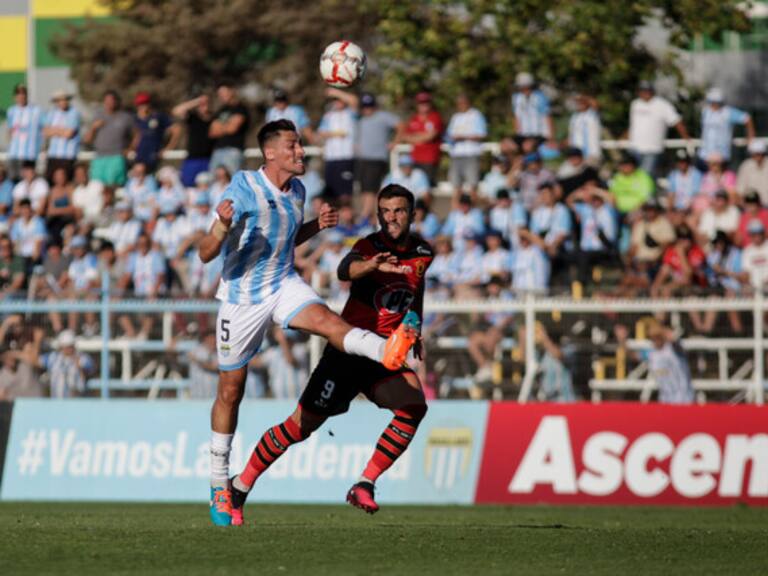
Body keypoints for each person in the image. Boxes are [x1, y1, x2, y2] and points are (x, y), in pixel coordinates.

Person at [197, 120, 421, 525]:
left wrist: (316, 227)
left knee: (328, 322)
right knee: (231, 391)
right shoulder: (244, 186)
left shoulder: (298, 191)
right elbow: (205, 251)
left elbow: (285, 239)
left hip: (283, 283)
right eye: (293, 145)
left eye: (300, 144)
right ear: (270, 153)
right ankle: (218, 483)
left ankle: (386, 349)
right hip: (242, 298)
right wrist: (222, 225)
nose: (301, 151)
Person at [229, 184, 433, 522]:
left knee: (413, 407)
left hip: (384, 357)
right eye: (385, 211)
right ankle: (240, 485)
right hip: (349, 353)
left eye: (398, 211)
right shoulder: (370, 246)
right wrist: (370, 266)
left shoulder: (424, 252)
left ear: (412, 214)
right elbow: (345, 270)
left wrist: (417, 327)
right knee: (299, 427)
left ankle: (365, 483)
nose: (391, 217)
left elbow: (416, 290)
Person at [628, 81, 689, 177]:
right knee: (632, 176)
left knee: (646, 176)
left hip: (652, 148)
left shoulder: (662, 105)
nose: (645, 93)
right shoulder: (635, 104)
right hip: (635, 148)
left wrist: (686, 138)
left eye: (647, 90)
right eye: (642, 90)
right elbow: (632, 125)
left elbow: (676, 121)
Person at [354, 92, 400, 218]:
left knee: (371, 190)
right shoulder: (360, 118)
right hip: (363, 159)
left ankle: (365, 217)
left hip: (376, 159)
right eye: (364, 106)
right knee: (364, 190)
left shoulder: (383, 117)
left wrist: (395, 141)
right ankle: (368, 217)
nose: (367, 109)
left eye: (369, 106)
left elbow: (400, 125)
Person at [84, 90, 135, 187]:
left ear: (116, 102)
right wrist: (93, 128)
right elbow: (87, 140)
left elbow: (137, 135)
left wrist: (131, 148)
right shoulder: (97, 116)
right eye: (106, 101)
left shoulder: (125, 117)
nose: (109, 103)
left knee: (113, 186)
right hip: (99, 157)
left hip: (116, 157)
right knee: (96, 187)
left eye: (111, 100)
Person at [445, 94, 487, 201]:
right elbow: (449, 135)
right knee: (456, 187)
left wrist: (463, 137)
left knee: (472, 186)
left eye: (463, 103)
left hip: (471, 154)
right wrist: (451, 138)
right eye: (459, 103)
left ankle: (474, 213)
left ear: (468, 103)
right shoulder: (455, 117)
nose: (461, 105)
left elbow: (482, 134)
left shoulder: (476, 115)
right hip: (456, 155)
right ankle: (455, 214)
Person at [316, 88, 357, 197]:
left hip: (346, 156)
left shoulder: (350, 113)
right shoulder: (328, 115)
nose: (337, 102)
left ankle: (346, 213)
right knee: (331, 191)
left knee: (345, 192)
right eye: (335, 100)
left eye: (339, 100)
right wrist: (335, 134)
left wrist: (336, 92)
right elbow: (321, 132)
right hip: (331, 157)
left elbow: (354, 101)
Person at [396, 92, 443, 184]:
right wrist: (422, 137)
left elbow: (431, 136)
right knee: (413, 186)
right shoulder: (413, 119)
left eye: (426, 102)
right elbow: (404, 136)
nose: (424, 105)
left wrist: (416, 137)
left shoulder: (435, 117)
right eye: (421, 103)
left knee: (427, 189)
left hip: (430, 160)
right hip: (414, 159)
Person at [698, 88, 754, 164]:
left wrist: (750, 139)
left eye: (716, 102)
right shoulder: (705, 112)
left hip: (722, 155)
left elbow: (747, 119)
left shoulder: (728, 112)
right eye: (712, 102)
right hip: (705, 154)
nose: (714, 104)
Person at [36, 329, 95, 398]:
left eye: (70, 346)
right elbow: (36, 361)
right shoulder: (54, 357)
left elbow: (91, 368)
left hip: (75, 400)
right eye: (65, 347)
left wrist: (79, 365)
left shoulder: (82, 357)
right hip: (57, 401)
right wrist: (37, 342)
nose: (68, 349)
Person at [172, 94, 215, 187]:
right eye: (201, 104)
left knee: (208, 187)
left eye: (206, 103)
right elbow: (176, 111)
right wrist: (197, 101)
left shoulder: (215, 119)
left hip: (209, 159)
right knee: (188, 186)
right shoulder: (193, 118)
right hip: (192, 159)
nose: (204, 106)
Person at [647, 322, 694, 404]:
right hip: (665, 400)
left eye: (658, 337)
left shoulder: (673, 349)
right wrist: (622, 341)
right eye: (653, 338)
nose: (655, 340)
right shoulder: (651, 353)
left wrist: (672, 339)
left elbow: (678, 347)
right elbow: (634, 355)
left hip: (684, 399)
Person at [132, 92, 180, 173]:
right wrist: (131, 148)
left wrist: (168, 148)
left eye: (145, 103)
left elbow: (177, 130)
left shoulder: (159, 116)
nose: (143, 106)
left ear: (149, 104)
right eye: (140, 104)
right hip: (140, 155)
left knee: (151, 178)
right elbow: (137, 136)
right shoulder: (136, 119)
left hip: (154, 155)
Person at [209, 82, 250, 176]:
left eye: (224, 93)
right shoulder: (220, 111)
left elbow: (233, 128)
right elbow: (212, 132)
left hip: (233, 150)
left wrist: (221, 127)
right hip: (217, 150)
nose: (221, 96)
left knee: (233, 180)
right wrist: (227, 125)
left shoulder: (241, 108)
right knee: (215, 183)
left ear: (231, 91)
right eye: (219, 94)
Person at [6, 84, 43, 181]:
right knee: (13, 181)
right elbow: (10, 130)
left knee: (28, 182)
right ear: (15, 96)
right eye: (18, 93)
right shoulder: (11, 111)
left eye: (23, 93)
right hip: (14, 153)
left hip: (29, 154)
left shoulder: (36, 110)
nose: (21, 96)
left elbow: (43, 129)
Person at [43, 90, 80, 182]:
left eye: (65, 99)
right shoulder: (52, 113)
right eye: (60, 100)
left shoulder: (74, 113)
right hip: (53, 154)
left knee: (66, 181)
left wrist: (54, 130)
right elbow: (45, 132)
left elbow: (69, 134)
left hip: (68, 155)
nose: (63, 102)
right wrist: (62, 131)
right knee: (50, 181)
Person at [511, 72, 553, 145]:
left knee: (528, 146)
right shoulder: (517, 98)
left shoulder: (540, 97)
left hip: (539, 134)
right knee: (508, 145)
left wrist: (551, 137)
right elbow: (516, 117)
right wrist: (517, 133)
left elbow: (547, 117)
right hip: (523, 134)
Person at [567, 93, 602, 165]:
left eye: (582, 102)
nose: (580, 104)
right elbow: (571, 135)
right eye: (578, 102)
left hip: (591, 154)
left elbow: (596, 104)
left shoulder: (592, 114)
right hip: (576, 155)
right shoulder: (574, 117)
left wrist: (583, 96)